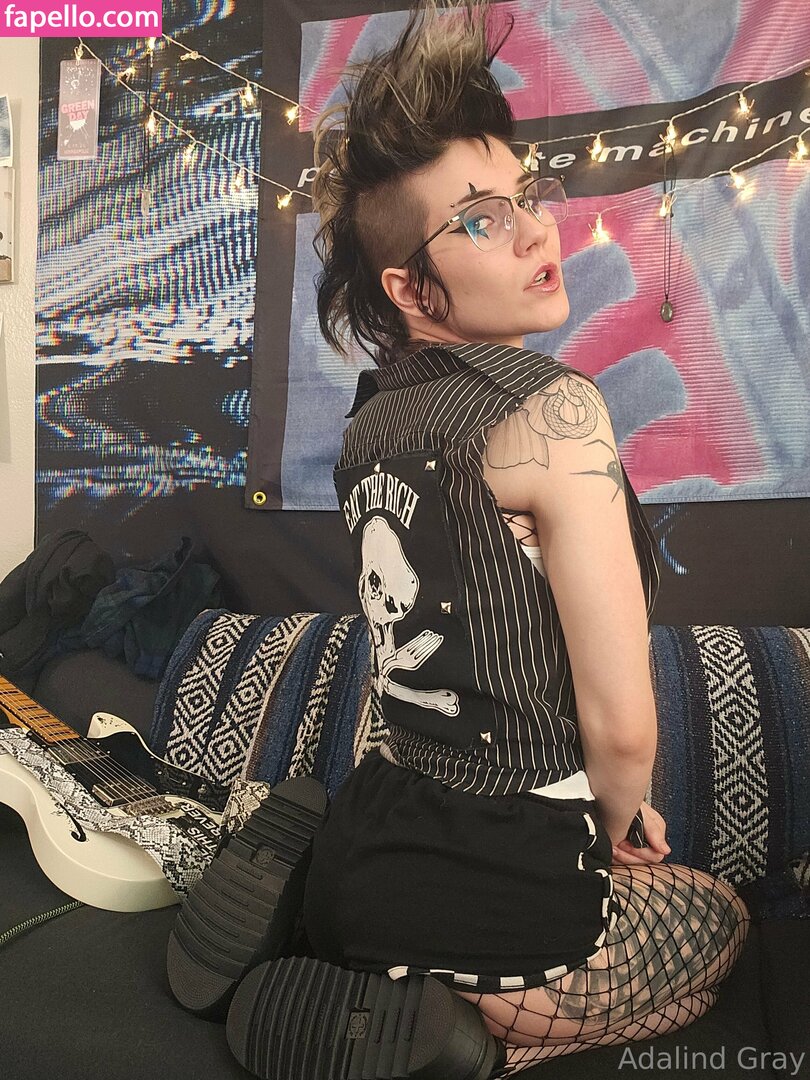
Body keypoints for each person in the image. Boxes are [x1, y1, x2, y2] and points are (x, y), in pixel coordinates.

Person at [221, 2, 751, 1077]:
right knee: (719, 919)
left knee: (634, 927)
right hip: (508, 910)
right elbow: (621, 726)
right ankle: (473, 1044)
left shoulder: (369, 429)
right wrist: (621, 824)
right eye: (479, 220)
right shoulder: (556, 412)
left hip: (368, 858)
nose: (535, 233)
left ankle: (362, 967)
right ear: (409, 288)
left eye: (525, 201)